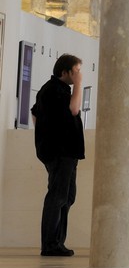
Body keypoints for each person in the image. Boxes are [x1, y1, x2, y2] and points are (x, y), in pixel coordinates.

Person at [30, 53, 84, 257]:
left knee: (67, 196)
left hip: (66, 151)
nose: (79, 75)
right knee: (58, 196)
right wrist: (78, 85)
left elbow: (35, 113)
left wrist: (44, 133)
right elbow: (74, 109)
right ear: (65, 72)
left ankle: (57, 242)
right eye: (76, 71)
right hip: (60, 152)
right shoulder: (53, 89)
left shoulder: (57, 89)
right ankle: (51, 244)